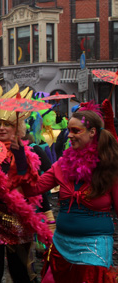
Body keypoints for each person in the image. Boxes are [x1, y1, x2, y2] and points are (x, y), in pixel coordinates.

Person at [21, 105, 118, 283]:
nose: (70, 135)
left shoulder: (110, 166)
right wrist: (21, 157)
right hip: (62, 244)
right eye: (68, 130)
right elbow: (33, 189)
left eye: (75, 130)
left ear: (92, 132)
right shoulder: (62, 164)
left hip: (94, 246)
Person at [0, 84, 52, 283]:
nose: (2, 128)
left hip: (19, 218)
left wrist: (48, 218)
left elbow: (35, 186)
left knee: (21, 273)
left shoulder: (32, 152)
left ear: (17, 127)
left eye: (7, 124)